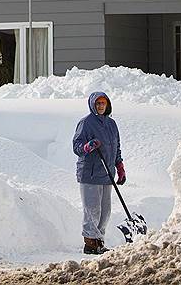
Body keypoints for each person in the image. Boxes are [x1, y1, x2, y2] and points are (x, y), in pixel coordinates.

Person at [72, 91, 126, 255]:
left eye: (103, 103)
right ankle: (90, 243)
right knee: (92, 209)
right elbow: (77, 147)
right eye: (98, 103)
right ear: (92, 105)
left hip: (106, 173)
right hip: (90, 173)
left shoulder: (112, 124)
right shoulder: (86, 123)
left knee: (105, 210)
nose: (101, 106)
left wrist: (119, 166)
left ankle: (99, 240)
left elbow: (116, 147)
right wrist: (87, 147)